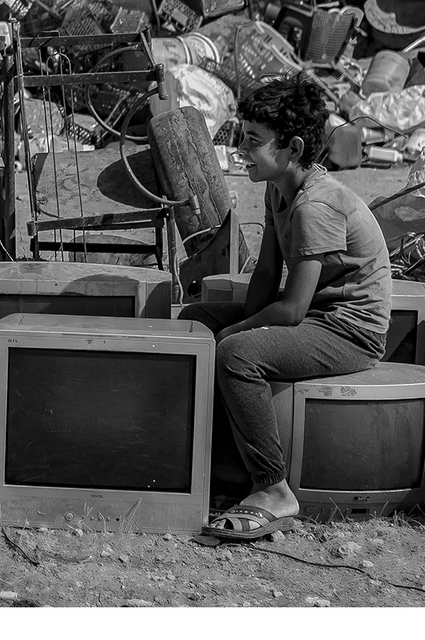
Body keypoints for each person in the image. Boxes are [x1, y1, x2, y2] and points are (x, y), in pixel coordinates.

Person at [180, 73, 390, 541]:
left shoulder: (316, 204)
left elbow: (292, 310)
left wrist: (234, 336)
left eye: (253, 141)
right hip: (314, 315)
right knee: (195, 320)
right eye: (241, 136)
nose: (240, 149)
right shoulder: (279, 189)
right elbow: (264, 279)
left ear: (292, 148)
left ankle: (273, 487)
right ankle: (221, 467)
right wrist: (229, 323)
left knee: (237, 355)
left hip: (349, 331)